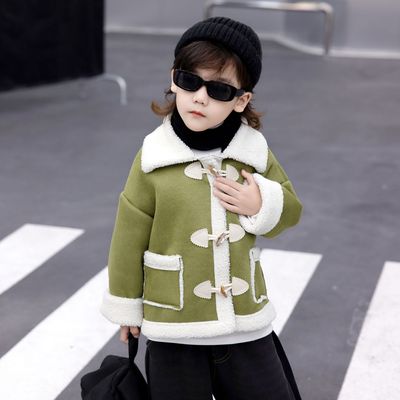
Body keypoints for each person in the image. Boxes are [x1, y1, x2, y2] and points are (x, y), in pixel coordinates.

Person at [101, 16, 303, 400]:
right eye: (190, 81)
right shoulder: (153, 157)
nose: (200, 97)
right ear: (174, 80)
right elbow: (128, 236)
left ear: (241, 100)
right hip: (173, 322)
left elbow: (290, 210)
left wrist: (261, 203)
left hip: (244, 321)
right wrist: (126, 306)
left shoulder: (253, 153)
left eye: (219, 89)